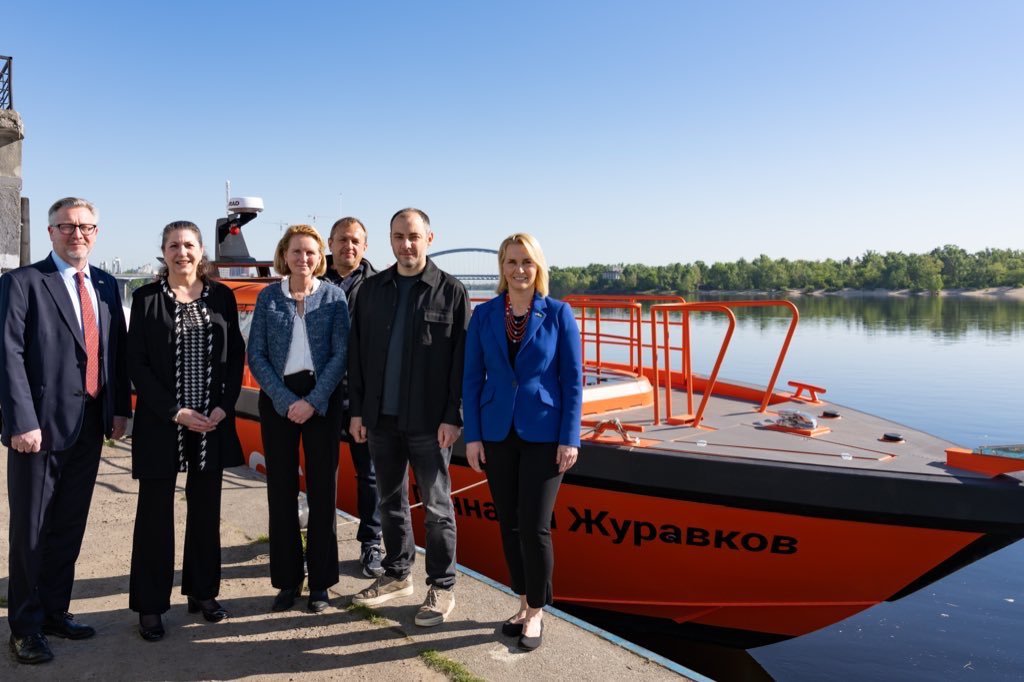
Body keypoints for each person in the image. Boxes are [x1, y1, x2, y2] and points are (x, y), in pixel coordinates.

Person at [0, 197, 131, 664]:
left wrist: (118, 410)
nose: (78, 234)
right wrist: (21, 420)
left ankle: (56, 610)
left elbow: (114, 351)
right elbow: (9, 355)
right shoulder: (21, 283)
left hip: (91, 424)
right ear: (52, 232)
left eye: (87, 226)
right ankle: (26, 626)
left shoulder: (107, 284)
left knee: (69, 526)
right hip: (39, 429)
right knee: (31, 530)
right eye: (68, 226)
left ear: (97, 232)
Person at [348, 208, 469, 627]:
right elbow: (358, 357)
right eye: (398, 237)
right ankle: (398, 573)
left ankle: (442, 585)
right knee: (389, 500)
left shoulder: (450, 292)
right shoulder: (372, 290)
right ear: (390, 240)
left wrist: (453, 417)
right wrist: (358, 411)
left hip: (429, 423)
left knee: (437, 507)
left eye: (414, 236)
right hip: (381, 418)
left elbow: (460, 364)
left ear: (429, 238)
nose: (406, 244)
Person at [462, 233, 582, 651]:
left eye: (526, 262)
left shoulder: (559, 314)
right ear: (502, 267)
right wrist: (473, 437)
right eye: (511, 262)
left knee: (534, 526)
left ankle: (537, 612)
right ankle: (521, 601)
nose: (519, 270)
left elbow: (572, 381)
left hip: (545, 434)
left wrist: (570, 437)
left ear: (538, 267)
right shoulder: (484, 315)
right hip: (496, 432)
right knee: (509, 525)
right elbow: (472, 379)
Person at [127, 221, 245, 641]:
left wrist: (221, 407)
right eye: (174, 245)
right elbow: (136, 363)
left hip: (211, 423)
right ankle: (151, 606)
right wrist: (174, 411)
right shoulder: (145, 300)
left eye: (190, 245)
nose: (183, 253)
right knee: (155, 516)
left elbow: (235, 358)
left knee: (206, 512)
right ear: (163, 251)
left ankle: (203, 592)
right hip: (164, 425)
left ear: (201, 252)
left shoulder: (222, 298)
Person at [247, 224, 349, 613]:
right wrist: (286, 399)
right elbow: (256, 354)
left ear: (319, 256)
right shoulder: (268, 297)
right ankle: (288, 580)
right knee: (281, 494)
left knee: (324, 494)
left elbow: (341, 354)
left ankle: (321, 584)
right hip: (279, 402)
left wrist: (314, 400)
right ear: (283, 255)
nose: (303, 258)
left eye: (310, 252)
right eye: (296, 252)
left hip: (322, 402)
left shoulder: (334, 297)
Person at [323, 216, 383, 578]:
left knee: (370, 476)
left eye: (356, 241)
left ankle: (371, 544)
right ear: (330, 243)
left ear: (365, 246)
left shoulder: (380, 286)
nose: (349, 246)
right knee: (321, 474)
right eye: (342, 240)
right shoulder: (310, 281)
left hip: (365, 398)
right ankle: (320, 545)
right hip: (322, 396)